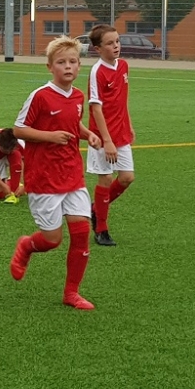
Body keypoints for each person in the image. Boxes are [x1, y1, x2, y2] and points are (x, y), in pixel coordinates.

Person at [9, 35, 103, 311]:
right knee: (52, 240)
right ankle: (27, 246)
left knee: (81, 233)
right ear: (50, 67)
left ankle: (71, 293)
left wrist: (87, 134)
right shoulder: (40, 96)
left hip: (72, 174)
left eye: (73, 61)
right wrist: (50, 136)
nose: (68, 67)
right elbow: (18, 130)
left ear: (79, 65)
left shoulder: (78, 96)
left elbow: (73, 124)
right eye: (61, 62)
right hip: (44, 178)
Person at [85, 25, 136, 247]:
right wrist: (106, 141)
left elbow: (123, 100)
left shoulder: (123, 66)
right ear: (98, 49)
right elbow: (96, 108)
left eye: (117, 41)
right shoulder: (97, 71)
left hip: (121, 133)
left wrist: (129, 124)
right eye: (110, 43)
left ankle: (95, 209)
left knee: (126, 178)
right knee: (105, 179)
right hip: (102, 136)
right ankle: (101, 229)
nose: (116, 46)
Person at [0, 127, 25, 203]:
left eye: (11, 150)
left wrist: (26, 185)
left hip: (15, 157)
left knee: (16, 155)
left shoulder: (20, 142)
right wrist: (3, 185)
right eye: (6, 150)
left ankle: (14, 189)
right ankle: (9, 182)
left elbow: (30, 165)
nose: (8, 152)